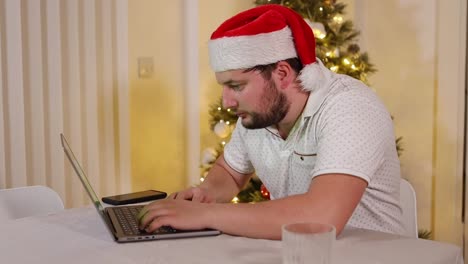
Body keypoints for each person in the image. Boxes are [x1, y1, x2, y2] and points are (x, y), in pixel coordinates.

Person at [138, 4, 404, 240]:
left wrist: (206, 214)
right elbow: (230, 172)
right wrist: (205, 194)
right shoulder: (260, 114)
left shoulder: (351, 107)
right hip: (295, 254)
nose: (227, 102)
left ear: (282, 74)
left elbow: (322, 218)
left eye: (236, 85)